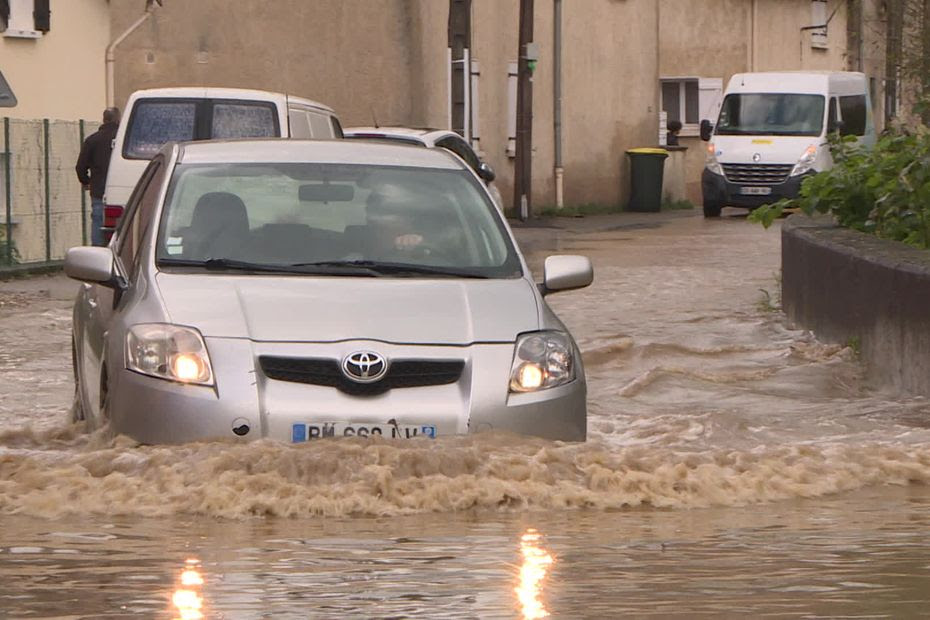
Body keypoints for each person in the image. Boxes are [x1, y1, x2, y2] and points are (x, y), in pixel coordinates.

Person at [75, 107, 120, 246]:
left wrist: (86, 182)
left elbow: (80, 167)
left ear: (104, 119)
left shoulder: (92, 140)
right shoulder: (124, 140)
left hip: (99, 191)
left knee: (98, 221)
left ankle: (98, 253)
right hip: (123, 190)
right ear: (118, 119)